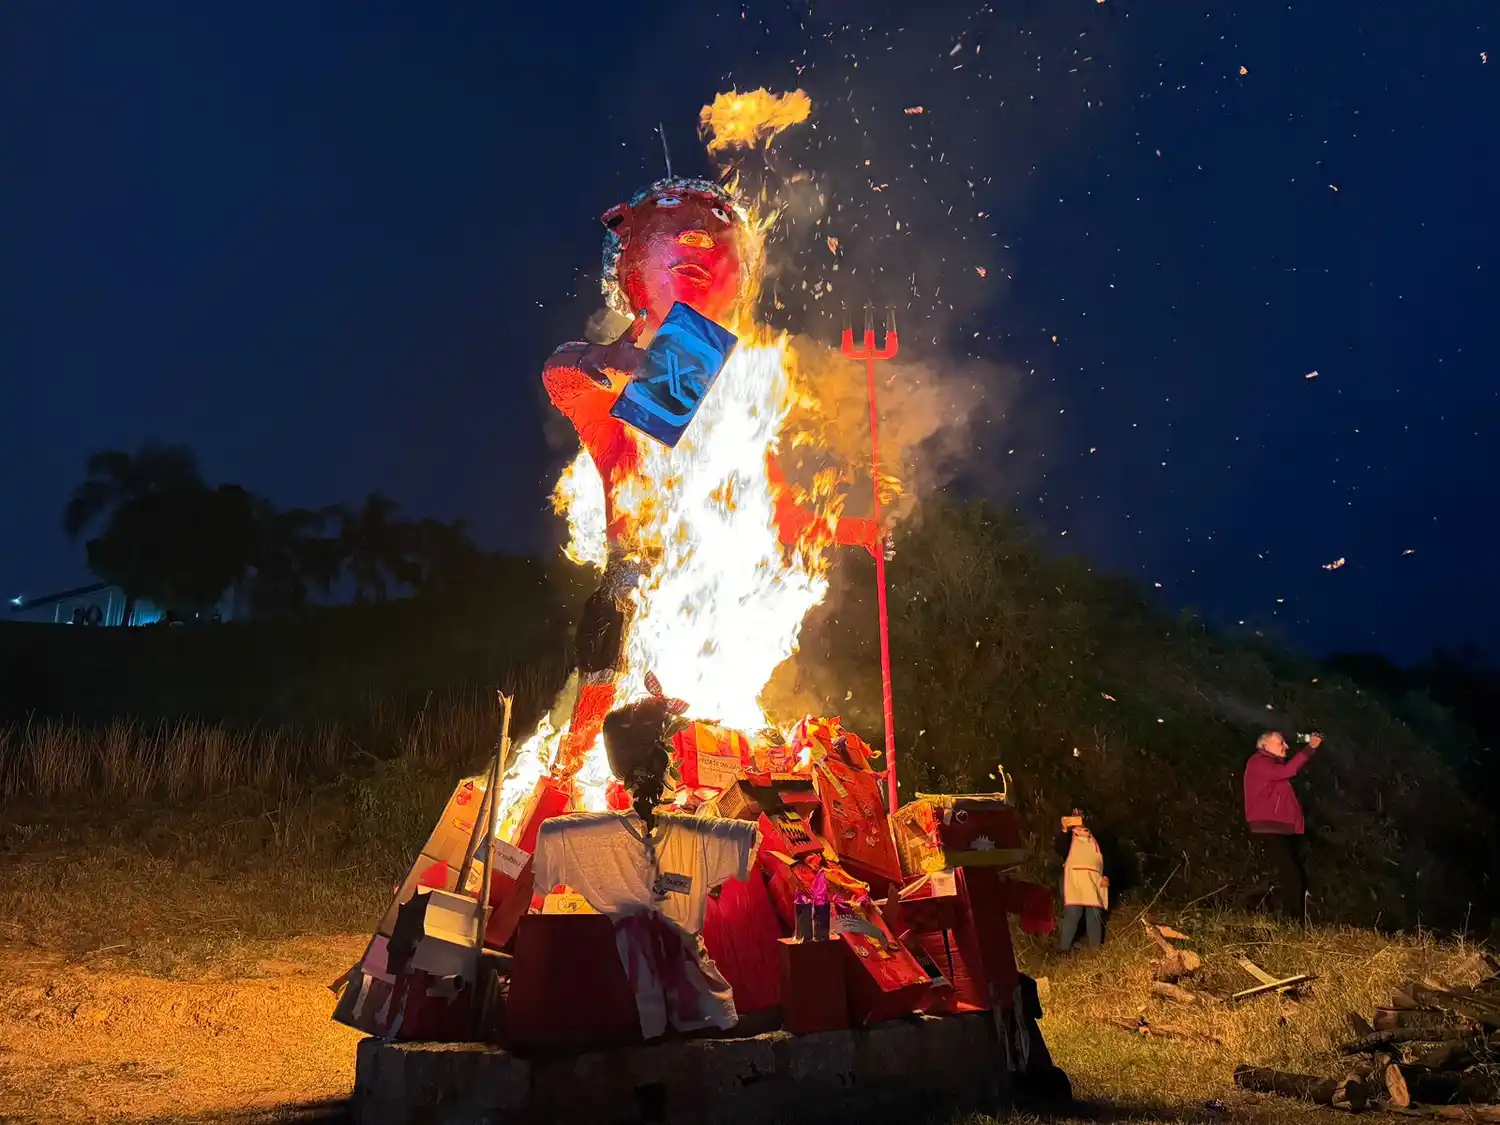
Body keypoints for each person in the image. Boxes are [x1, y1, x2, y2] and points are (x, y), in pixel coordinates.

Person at [1243, 730, 1323, 920]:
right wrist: (1310, 748)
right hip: (1270, 827)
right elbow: (1290, 770)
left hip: (1280, 827)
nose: (1286, 746)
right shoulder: (1258, 762)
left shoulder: (1269, 765)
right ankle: (1293, 922)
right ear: (1265, 746)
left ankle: (1292, 918)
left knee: (1293, 873)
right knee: (1292, 876)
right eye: (1280, 743)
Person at [1055, 810, 1108, 952]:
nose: (1077, 817)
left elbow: (1107, 857)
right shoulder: (1069, 838)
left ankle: (1095, 951)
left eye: (1080, 814)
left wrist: (1107, 876)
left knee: (1095, 915)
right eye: (1074, 814)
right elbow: (1060, 849)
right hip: (1074, 881)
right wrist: (1064, 830)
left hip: (1094, 881)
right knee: (1072, 915)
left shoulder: (1097, 836)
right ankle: (1063, 950)